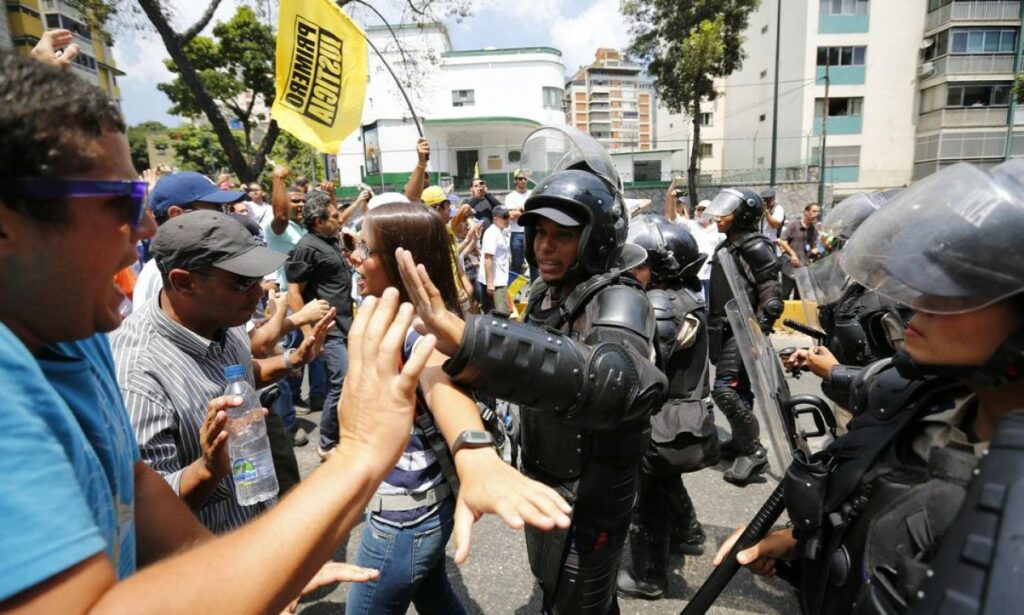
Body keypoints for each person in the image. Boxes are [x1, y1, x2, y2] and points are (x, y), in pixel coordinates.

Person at [0, 49, 442, 613]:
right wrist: (360, 451)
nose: (143, 229)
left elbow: (135, 485)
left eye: (140, 198)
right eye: (117, 201)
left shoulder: (70, 325)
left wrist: (246, 574)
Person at [713, 159, 1024, 615]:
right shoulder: (922, 400)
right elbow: (867, 507)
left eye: (964, 288)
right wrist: (796, 543)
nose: (920, 300)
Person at [395, 126, 667, 614]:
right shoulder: (546, 291)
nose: (544, 246)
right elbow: (533, 363)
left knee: (580, 600)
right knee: (555, 588)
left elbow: (610, 383)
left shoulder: (620, 298)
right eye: (539, 232)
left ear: (596, 238)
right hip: (544, 471)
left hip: (594, 487)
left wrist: (472, 339)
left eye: (562, 235)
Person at [345, 202, 572, 614]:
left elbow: (439, 382)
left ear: (402, 263)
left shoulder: (416, 331)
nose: (354, 257)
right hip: (422, 507)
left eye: (366, 248)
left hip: (403, 518)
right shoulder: (385, 310)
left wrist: (476, 456)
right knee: (435, 598)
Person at [111, 211, 332, 529]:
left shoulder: (224, 320)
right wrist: (208, 469)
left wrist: (293, 360)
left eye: (258, 278)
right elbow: (145, 517)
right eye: (242, 281)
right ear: (183, 282)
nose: (258, 291)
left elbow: (242, 372)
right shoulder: (138, 376)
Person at [616, 218, 718, 600]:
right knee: (664, 479)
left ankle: (650, 578)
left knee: (647, 500)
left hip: (660, 418)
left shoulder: (660, 305)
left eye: (637, 261)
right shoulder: (682, 296)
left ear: (659, 265)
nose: (629, 267)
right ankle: (688, 531)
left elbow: (640, 367)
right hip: (677, 419)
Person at [704, 188, 784, 485]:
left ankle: (753, 451)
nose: (718, 217)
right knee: (739, 390)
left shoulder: (754, 245)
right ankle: (740, 442)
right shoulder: (731, 245)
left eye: (727, 211)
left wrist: (756, 333)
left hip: (742, 329)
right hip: (725, 328)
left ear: (744, 214)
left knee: (725, 390)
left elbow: (771, 294)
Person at [284, 190, 354, 459]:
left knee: (348, 381)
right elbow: (294, 292)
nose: (340, 220)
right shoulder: (307, 247)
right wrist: (309, 334)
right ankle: (326, 442)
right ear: (318, 222)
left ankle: (344, 435)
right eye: (335, 216)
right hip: (329, 331)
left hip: (346, 325)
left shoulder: (330, 241)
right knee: (341, 381)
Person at [133, 172, 247, 307]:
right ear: (177, 216)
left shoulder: (195, 262)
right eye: (218, 210)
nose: (226, 217)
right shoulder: (163, 272)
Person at [778, 202, 822, 299]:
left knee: (800, 296)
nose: (816, 214)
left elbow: (813, 246)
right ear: (806, 212)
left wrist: (816, 250)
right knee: (785, 294)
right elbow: (782, 241)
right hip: (790, 266)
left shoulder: (814, 230)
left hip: (803, 267)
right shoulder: (794, 225)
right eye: (814, 211)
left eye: (818, 212)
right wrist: (793, 254)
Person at [479, 205, 512, 315]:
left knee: (493, 314)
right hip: (496, 282)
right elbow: (488, 259)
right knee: (502, 315)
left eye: (508, 216)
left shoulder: (502, 231)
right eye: (505, 217)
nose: (508, 219)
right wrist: (490, 283)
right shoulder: (492, 233)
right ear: (495, 219)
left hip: (500, 279)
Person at [504, 169, 533, 280]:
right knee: (516, 262)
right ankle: (513, 291)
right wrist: (525, 209)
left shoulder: (532, 193)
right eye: (520, 178)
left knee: (532, 262)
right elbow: (511, 216)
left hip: (530, 230)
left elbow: (535, 211)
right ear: (515, 180)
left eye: (525, 178)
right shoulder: (510, 197)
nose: (523, 180)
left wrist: (519, 210)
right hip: (516, 233)